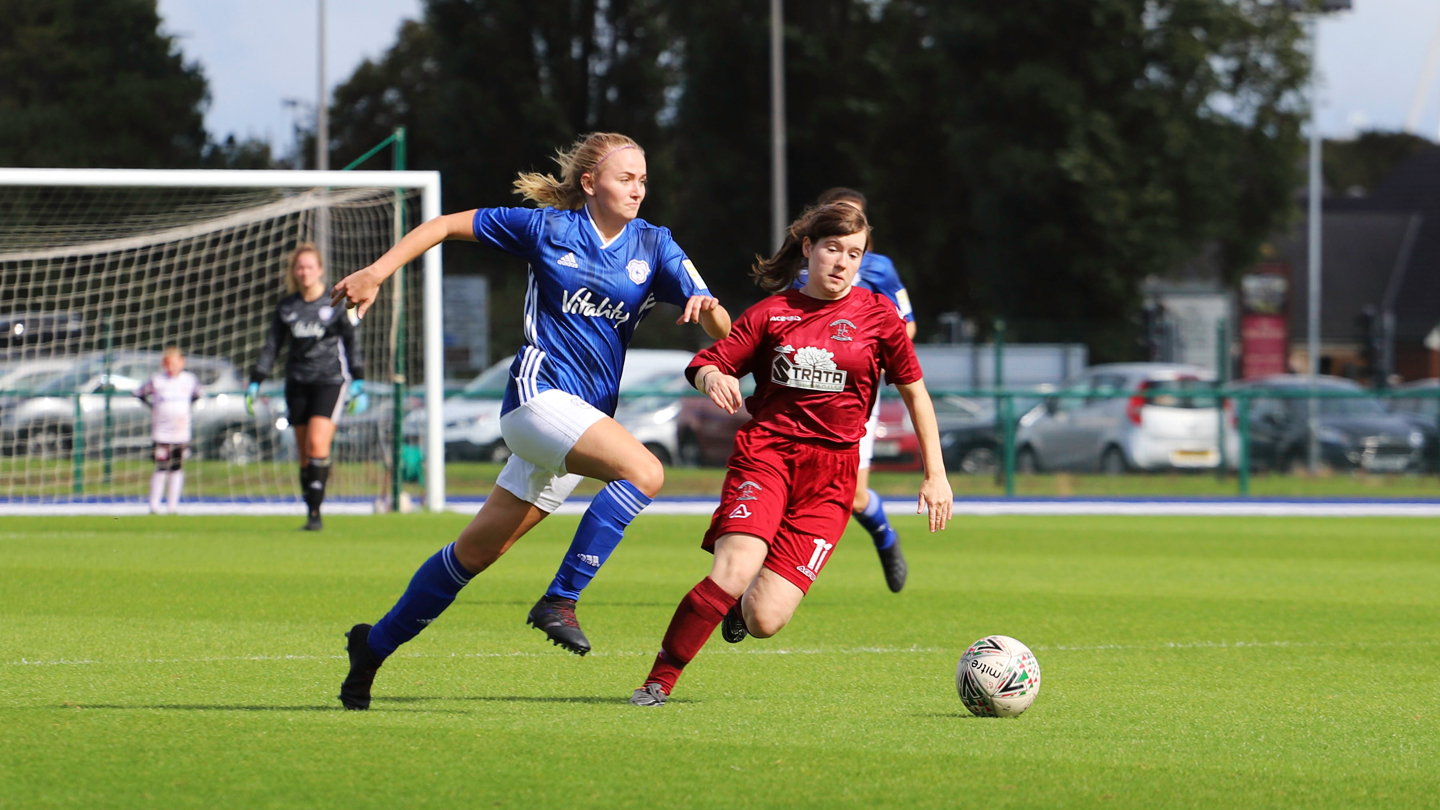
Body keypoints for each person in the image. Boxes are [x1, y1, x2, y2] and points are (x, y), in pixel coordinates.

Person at [329, 132, 731, 710]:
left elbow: (721, 325)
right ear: (590, 182)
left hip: (579, 421)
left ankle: (373, 646)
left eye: (644, 179)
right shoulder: (546, 228)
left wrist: (710, 313)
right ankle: (559, 600)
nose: (639, 188)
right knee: (645, 470)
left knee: (476, 553)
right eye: (626, 177)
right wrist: (377, 271)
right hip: (535, 402)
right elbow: (442, 224)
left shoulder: (655, 245)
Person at [629, 203, 952, 707]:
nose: (842, 263)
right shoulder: (771, 313)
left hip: (832, 479)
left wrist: (936, 474)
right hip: (768, 458)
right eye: (832, 249)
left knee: (765, 619)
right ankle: (658, 681)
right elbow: (709, 361)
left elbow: (916, 394)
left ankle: (737, 609)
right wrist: (714, 376)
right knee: (734, 569)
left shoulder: (878, 316)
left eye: (854, 253)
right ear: (809, 248)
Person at [794, 187, 916, 593]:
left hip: (855, 393)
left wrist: (869, 348)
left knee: (852, 495)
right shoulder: (805, 269)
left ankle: (884, 537)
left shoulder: (880, 269)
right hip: (802, 388)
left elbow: (908, 325)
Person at [245, 243, 367, 532]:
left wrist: (359, 380)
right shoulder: (287, 306)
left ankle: (317, 515)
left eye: (310, 266)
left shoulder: (334, 303)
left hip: (330, 381)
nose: (304, 272)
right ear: (294, 271)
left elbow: (352, 343)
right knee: (303, 453)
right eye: (300, 267)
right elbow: (272, 346)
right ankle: (311, 509)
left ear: (320, 270)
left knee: (317, 444)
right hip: (297, 383)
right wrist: (255, 381)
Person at [136, 347, 201, 514]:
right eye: (169, 363)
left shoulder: (189, 380)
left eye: (176, 363)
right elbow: (139, 393)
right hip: (162, 431)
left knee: (177, 467)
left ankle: (173, 506)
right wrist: (154, 408)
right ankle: (154, 506)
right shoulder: (157, 380)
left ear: (182, 362)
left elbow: (197, 396)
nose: (172, 366)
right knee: (161, 466)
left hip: (181, 431)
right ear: (164, 364)